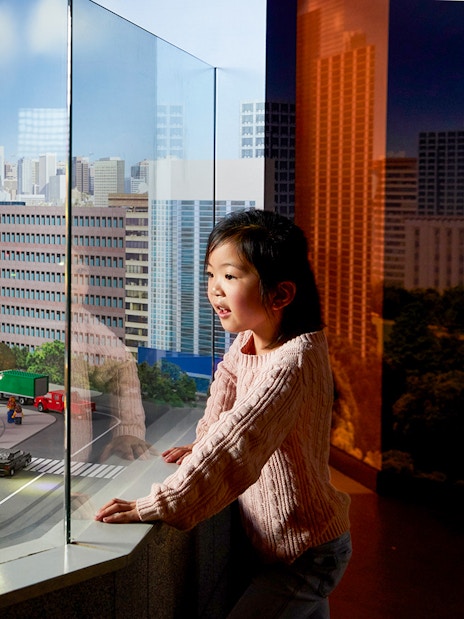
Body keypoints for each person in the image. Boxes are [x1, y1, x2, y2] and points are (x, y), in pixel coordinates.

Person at [95, 209, 352, 618]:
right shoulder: (254, 337)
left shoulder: (292, 363)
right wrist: (201, 442)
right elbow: (226, 390)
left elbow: (237, 442)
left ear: (281, 294)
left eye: (230, 277)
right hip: (287, 543)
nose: (214, 290)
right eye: (210, 275)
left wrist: (162, 503)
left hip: (304, 552)